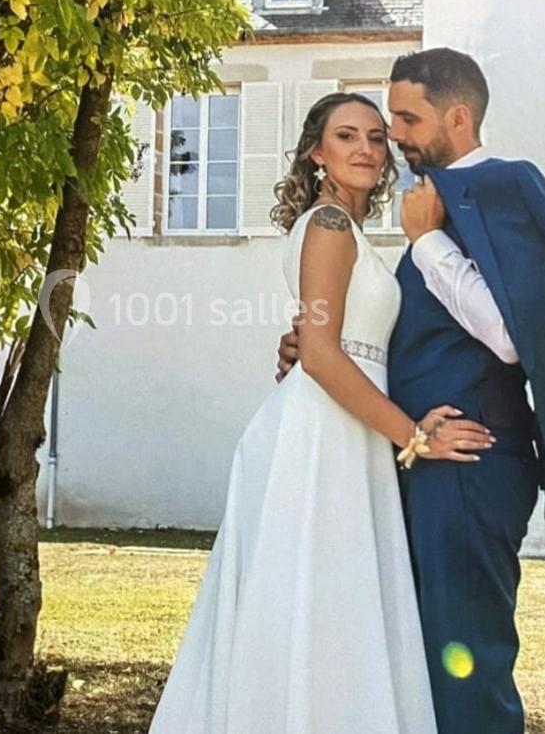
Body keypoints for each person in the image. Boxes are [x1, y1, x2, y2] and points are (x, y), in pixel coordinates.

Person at [277, 48, 545, 734]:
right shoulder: (433, 206)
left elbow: (510, 336)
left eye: (405, 121)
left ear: (459, 117)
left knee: (465, 656)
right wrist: (313, 344)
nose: (395, 140)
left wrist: (428, 243)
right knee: (420, 653)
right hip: (425, 463)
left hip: (469, 460)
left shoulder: (505, 186)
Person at [148, 93, 492, 734]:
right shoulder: (330, 224)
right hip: (319, 439)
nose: (365, 148)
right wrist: (414, 436)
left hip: (341, 431)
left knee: (332, 607)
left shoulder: (346, 229)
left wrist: (303, 345)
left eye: (374, 136)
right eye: (345, 136)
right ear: (316, 152)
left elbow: (320, 340)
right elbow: (324, 358)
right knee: (315, 603)